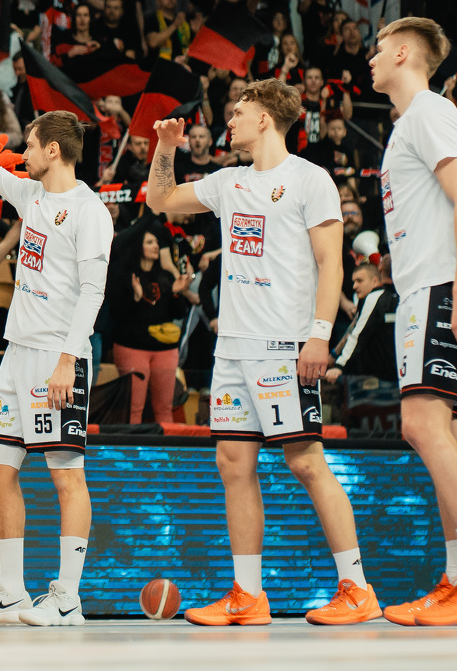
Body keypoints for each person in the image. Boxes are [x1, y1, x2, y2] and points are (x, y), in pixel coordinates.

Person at [146, 79, 380, 626]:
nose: (228, 122)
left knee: (305, 461)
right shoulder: (229, 181)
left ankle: (357, 588)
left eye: (239, 112)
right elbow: (161, 201)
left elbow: (331, 263)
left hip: (284, 345)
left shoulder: (310, 179)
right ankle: (248, 596)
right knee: (233, 463)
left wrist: (319, 335)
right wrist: (164, 149)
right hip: (232, 350)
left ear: (266, 120)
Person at [0, 76, 111, 628]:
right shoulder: (32, 196)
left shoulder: (90, 211)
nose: (23, 153)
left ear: (53, 150)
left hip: (58, 357)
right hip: (16, 354)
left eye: (30, 146)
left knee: (66, 475)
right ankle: (12, 593)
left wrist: (68, 359)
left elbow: (93, 293)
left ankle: (67, 597)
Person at [367, 17, 457, 625]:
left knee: (423, 424)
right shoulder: (410, 122)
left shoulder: (428, 112)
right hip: (427, 285)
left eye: (378, 50)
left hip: (443, 287)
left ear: (404, 52)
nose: (371, 60)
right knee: (443, 428)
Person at [111, 228, 189, 424]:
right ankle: (133, 445)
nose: (156, 246)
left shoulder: (166, 276)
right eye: (149, 242)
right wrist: (135, 299)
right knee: (134, 409)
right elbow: (116, 314)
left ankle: (168, 445)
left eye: (156, 242)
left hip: (165, 349)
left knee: (165, 409)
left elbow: (178, 313)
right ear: (138, 246)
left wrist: (176, 293)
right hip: (132, 346)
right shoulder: (124, 275)